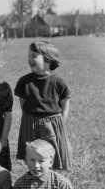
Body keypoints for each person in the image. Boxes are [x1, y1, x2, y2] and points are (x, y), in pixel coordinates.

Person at [15, 41, 72, 170]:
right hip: (30, 122)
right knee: (33, 155)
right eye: (29, 56)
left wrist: (60, 126)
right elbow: (23, 105)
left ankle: (52, 181)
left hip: (52, 124)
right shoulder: (24, 82)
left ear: (48, 58)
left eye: (34, 56)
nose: (30, 59)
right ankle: (33, 179)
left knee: (51, 155)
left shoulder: (59, 82)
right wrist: (28, 122)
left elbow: (65, 106)